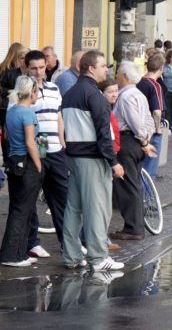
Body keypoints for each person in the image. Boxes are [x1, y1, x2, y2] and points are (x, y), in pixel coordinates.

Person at [60, 51, 125, 272]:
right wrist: (114, 162)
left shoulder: (69, 94)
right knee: (97, 209)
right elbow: (104, 134)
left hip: (73, 157)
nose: (106, 69)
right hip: (92, 159)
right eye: (103, 66)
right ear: (90, 68)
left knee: (73, 209)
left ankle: (71, 256)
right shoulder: (95, 95)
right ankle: (98, 258)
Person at [22, 50, 66, 257]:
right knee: (30, 199)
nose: (39, 72)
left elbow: (58, 117)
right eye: (34, 68)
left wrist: (63, 141)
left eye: (42, 67)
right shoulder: (23, 91)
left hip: (56, 150)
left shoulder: (54, 88)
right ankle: (33, 243)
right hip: (36, 152)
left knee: (62, 199)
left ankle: (68, 242)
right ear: (26, 68)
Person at [1, 77, 43, 267]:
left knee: (17, 208)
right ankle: (12, 255)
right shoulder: (28, 114)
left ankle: (18, 253)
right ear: (32, 92)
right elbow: (30, 142)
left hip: (13, 163)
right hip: (26, 164)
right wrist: (39, 165)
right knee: (22, 211)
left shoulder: (11, 111)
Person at [111, 62, 156, 242]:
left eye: (118, 74)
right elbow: (149, 121)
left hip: (128, 141)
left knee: (127, 185)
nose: (116, 77)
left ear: (124, 76)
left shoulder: (126, 97)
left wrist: (143, 140)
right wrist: (146, 139)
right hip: (136, 142)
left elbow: (135, 122)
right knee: (134, 184)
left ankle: (133, 228)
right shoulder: (139, 94)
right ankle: (135, 226)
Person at [138, 52, 165, 178]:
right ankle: (147, 195)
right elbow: (156, 111)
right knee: (149, 169)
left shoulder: (139, 83)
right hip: (151, 130)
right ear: (161, 68)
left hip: (139, 128)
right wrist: (158, 127)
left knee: (140, 166)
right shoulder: (155, 85)